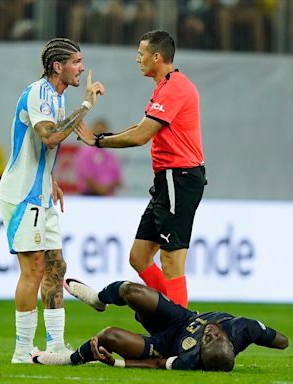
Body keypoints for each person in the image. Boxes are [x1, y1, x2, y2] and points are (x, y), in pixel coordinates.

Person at [75, 30, 206, 308]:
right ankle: (172, 317)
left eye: (141, 53)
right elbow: (141, 127)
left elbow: (140, 136)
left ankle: (181, 333)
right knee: (139, 257)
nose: (137, 59)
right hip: (168, 180)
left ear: (156, 57)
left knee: (171, 260)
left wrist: (97, 141)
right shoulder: (166, 86)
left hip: (179, 177)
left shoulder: (175, 88)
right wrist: (100, 139)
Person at [0, 37, 105, 363]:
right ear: (58, 66)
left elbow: (84, 138)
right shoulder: (39, 94)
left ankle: (56, 345)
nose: (82, 68)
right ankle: (22, 350)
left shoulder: (57, 99)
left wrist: (52, 178)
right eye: (76, 62)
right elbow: (51, 136)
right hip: (22, 195)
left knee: (56, 267)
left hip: (42, 195)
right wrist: (85, 106)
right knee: (33, 270)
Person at [34, 279, 289, 371]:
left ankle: (69, 359)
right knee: (130, 290)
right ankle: (98, 299)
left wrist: (117, 363)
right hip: (182, 318)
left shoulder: (189, 360)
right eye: (215, 335)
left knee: (109, 336)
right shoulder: (244, 328)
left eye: (206, 341)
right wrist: (274, 338)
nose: (209, 333)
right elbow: (282, 341)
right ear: (230, 342)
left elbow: (157, 364)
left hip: (164, 346)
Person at [74, 119, 123, 196]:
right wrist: (99, 189)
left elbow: (118, 180)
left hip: (107, 197)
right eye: (98, 130)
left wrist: (107, 188)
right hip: (89, 195)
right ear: (93, 131)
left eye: (103, 131)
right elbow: (85, 174)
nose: (100, 134)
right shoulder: (85, 152)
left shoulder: (111, 156)